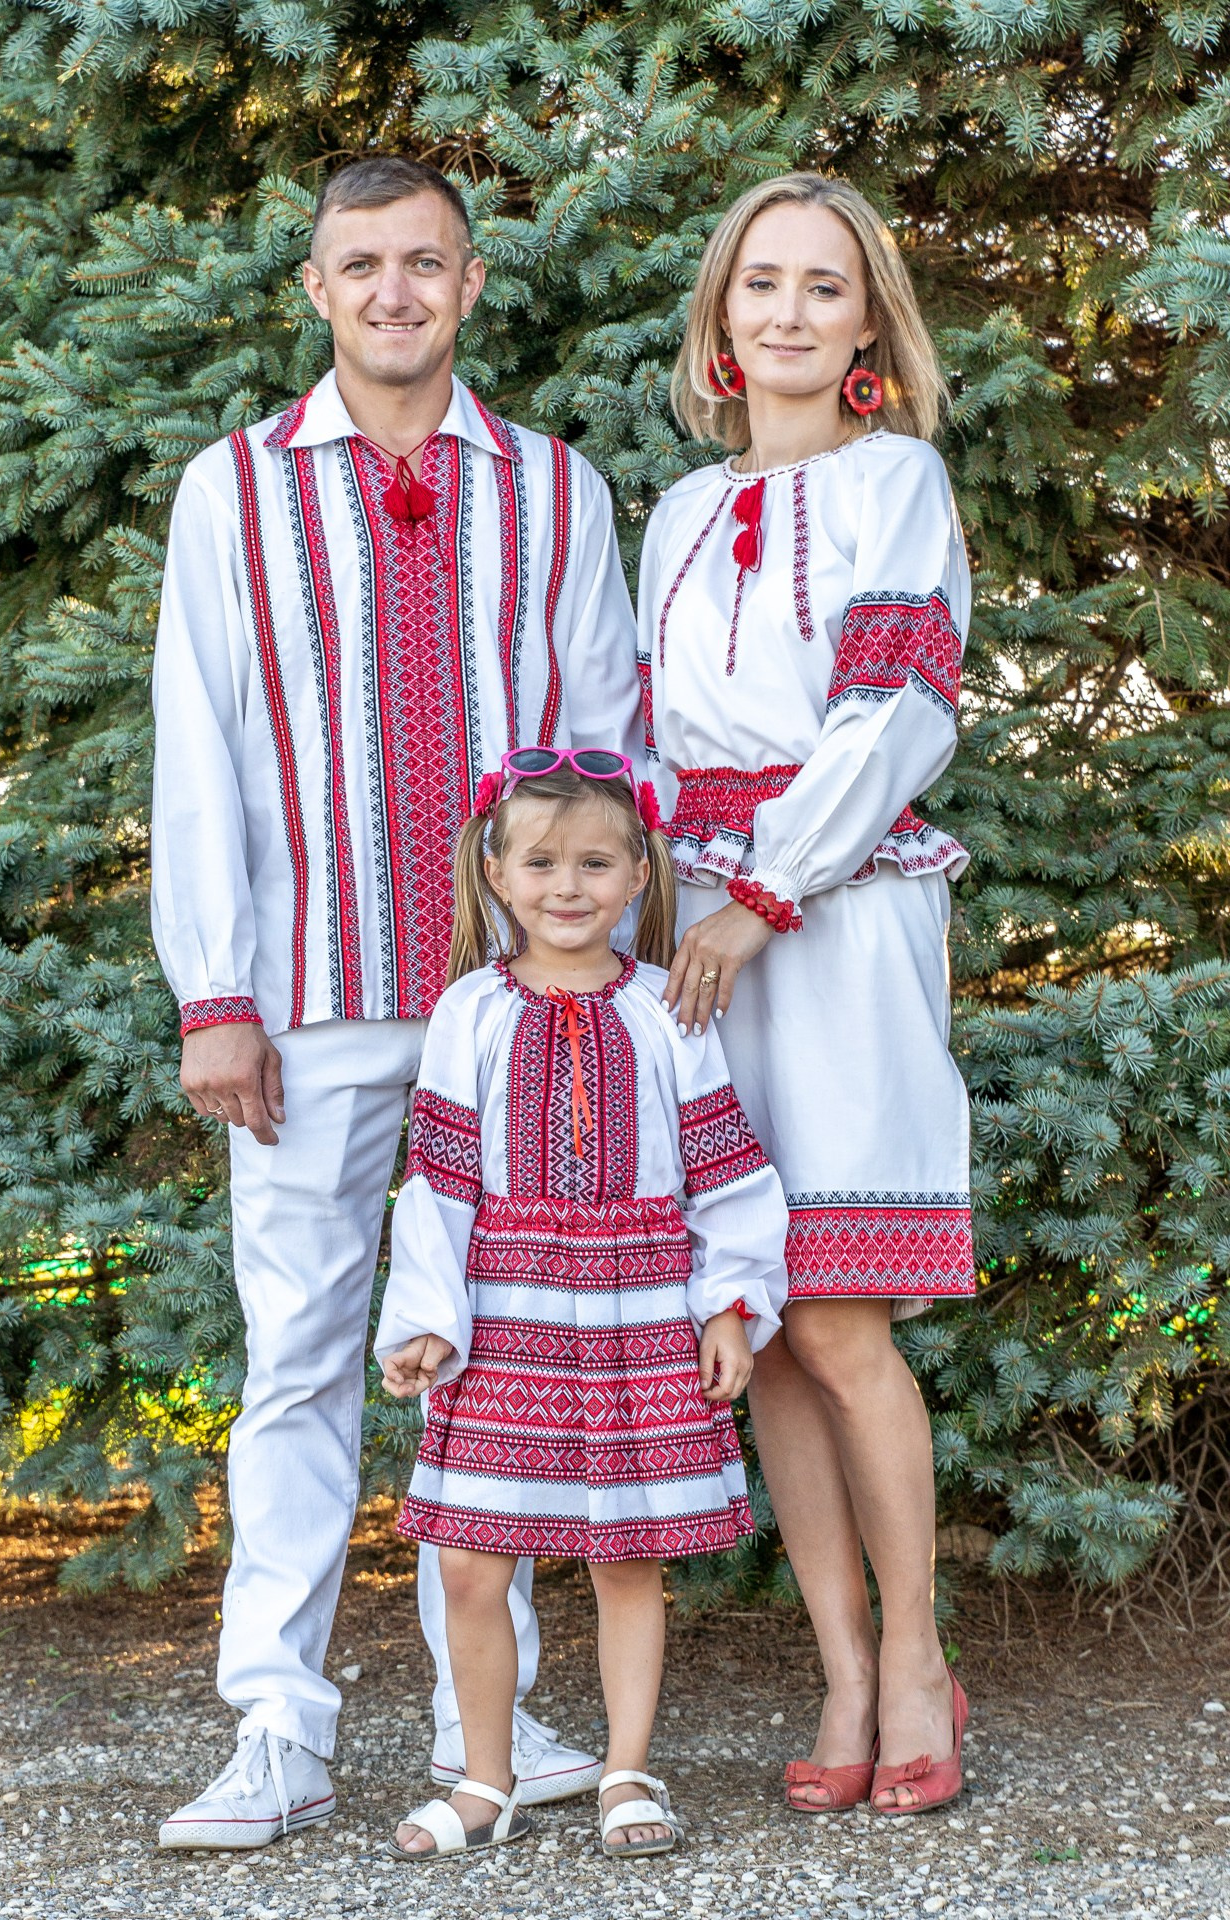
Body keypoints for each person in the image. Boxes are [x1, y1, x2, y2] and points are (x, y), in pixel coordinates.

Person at [151, 156, 643, 1850]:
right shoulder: (236, 492)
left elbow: (605, 750)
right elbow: (197, 751)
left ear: (472, 282)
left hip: (509, 1013)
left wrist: (593, 978)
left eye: (422, 263)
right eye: (359, 266)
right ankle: (276, 1727)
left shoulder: (560, 493)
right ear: (315, 289)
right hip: (306, 1004)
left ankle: (481, 1715)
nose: (392, 293)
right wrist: (214, 991)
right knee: (296, 1358)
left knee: (490, 1360)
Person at [637, 172, 975, 1816]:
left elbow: (898, 704)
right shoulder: (678, 515)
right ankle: (840, 1677)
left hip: (829, 912)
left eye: (821, 289)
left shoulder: (894, 479)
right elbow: (649, 744)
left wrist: (769, 892)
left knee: (840, 1312)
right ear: (720, 320)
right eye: (757, 284)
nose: (784, 311)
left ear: (864, 324)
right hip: (695, 924)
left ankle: (919, 1658)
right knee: (759, 1325)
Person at [374, 752, 789, 1860]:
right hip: (502, 1303)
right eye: (542, 862)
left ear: (638, 876)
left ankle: (625, 1771)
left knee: (625, 1552)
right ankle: (482, 1781)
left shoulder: (668, 1007)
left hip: (638, 1302)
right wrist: (425, 1312)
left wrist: (725, 1306)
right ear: (497, 877)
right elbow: (441, 1175)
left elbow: (724, 1168)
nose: (569, 885)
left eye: (596, 862)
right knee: (470, 1555)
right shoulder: (466, 1012)